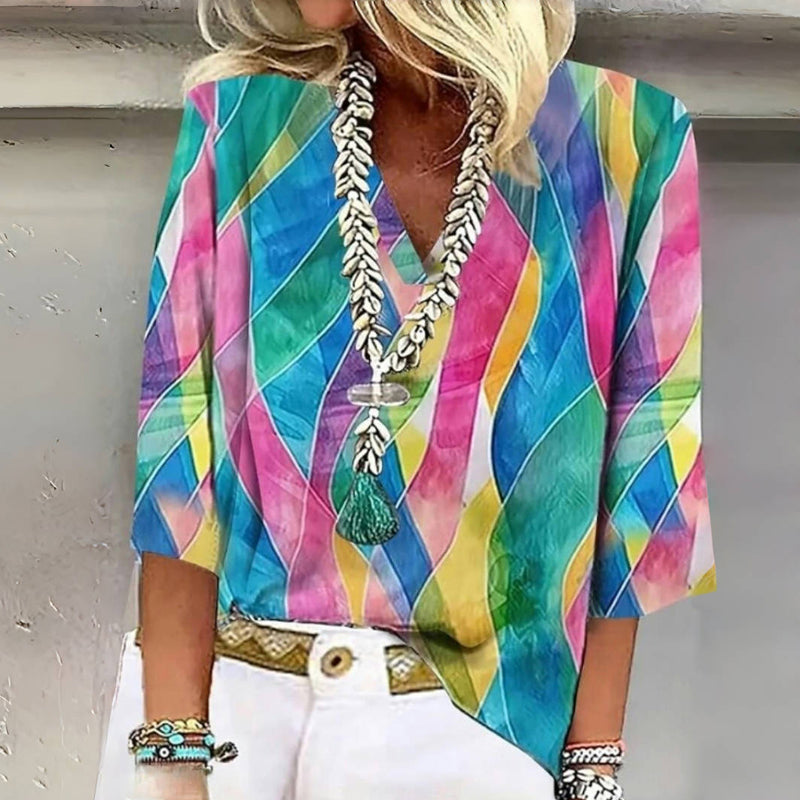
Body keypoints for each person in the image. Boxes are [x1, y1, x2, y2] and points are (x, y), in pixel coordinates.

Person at [93, 1, 717, 799]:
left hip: (479, 747)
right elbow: (177, 475)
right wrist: (171, 770)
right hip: (234, 733)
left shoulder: (628, 142)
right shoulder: (241, 129)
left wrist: (590, 778)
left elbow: (640, 504)